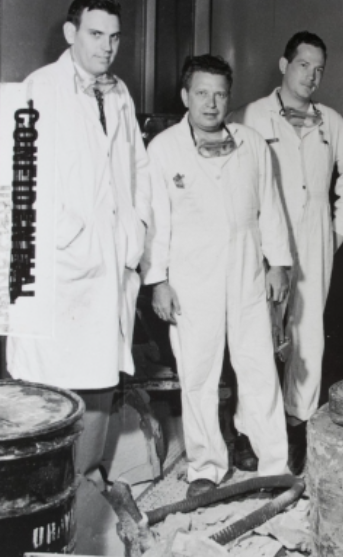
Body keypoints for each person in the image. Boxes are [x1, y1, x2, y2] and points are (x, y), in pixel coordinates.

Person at [6, 0, 151, 504]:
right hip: (59, 263)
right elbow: (17, 181)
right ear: (71, 32)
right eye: (95, 35)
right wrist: (63, 232)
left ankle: (87, 480)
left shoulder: (120, 94)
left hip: (110, 257)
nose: (106, 47)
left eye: (114, 37)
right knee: (48, 381)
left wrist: (138, 230)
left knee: (100, 377)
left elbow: (138, 167)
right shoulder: (38, 88)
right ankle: (46, 486)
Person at [143, 54, 293, 497]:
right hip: (192, 281)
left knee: (259, 370)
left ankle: (273, 466)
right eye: (202, 93)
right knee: (199, 375)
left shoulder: (252, 144)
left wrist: (278, 263)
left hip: (248, 275)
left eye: (220, 94)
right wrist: (158, 281)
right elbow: (156, 221)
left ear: (230, 97)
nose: (211, 103)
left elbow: (271, 206)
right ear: (186, 95)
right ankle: (206, 468)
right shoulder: (164, 149)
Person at [228, 32, 343, 467]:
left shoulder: (333, 122)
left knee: (307, 337)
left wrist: (338, 231)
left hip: (315, 238)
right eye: (304, 65)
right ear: (285, 65)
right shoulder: (249, 116)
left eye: (319, 68)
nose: (312, 76)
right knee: (260, 335)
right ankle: (248, 431)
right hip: (266, 240)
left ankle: (296, 424)